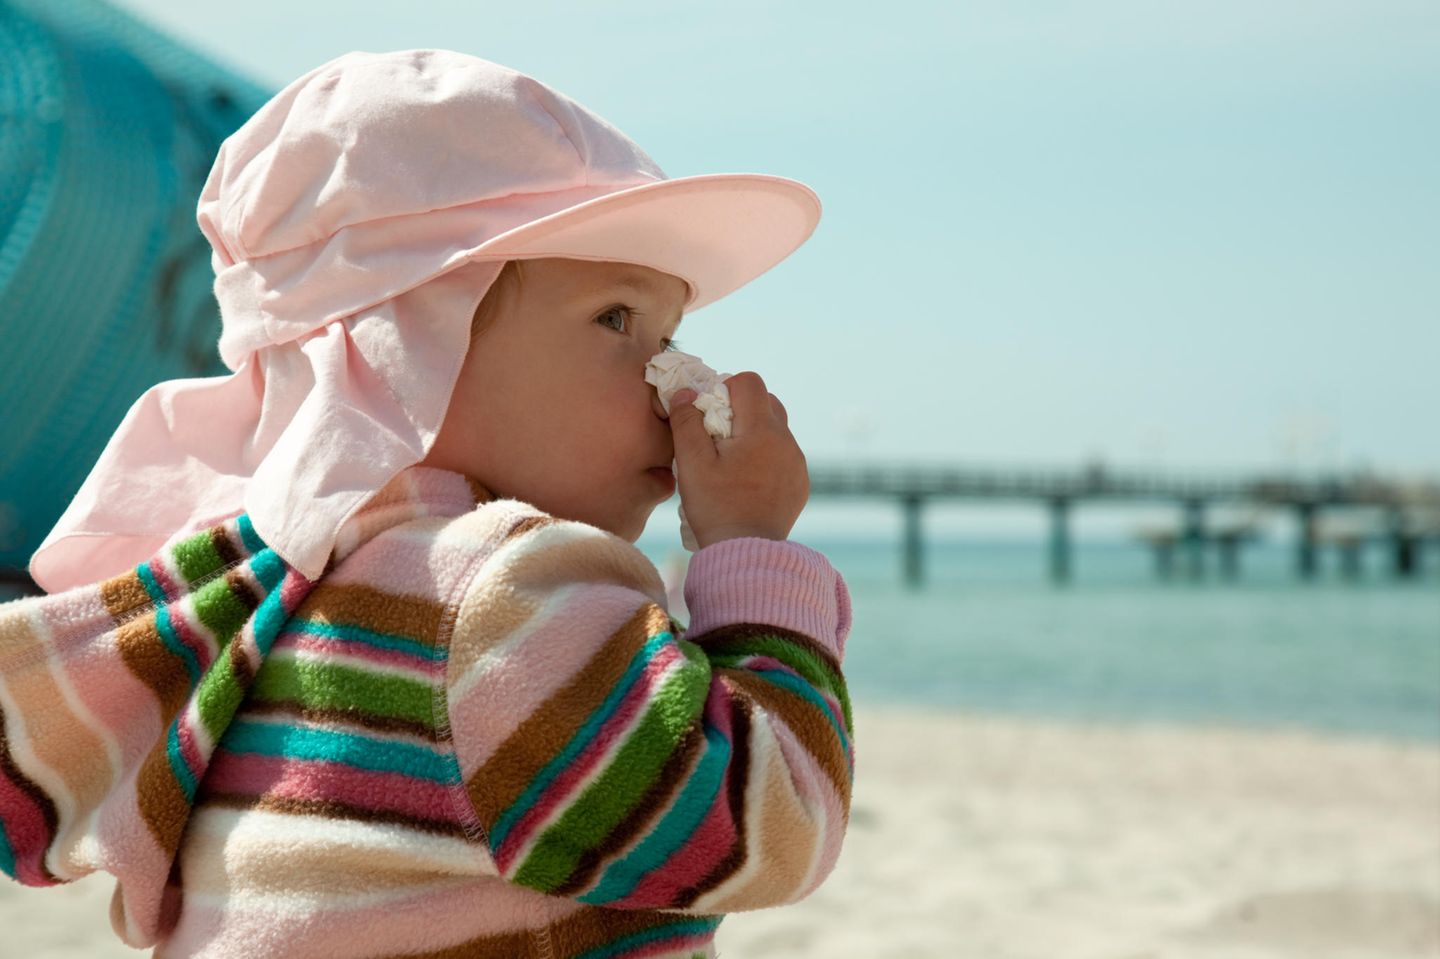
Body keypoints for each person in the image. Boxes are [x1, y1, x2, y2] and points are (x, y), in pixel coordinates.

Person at [0, 49, 854, 958]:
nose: (673, 378)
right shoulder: (499, 588)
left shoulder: (274, 597)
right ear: (407, 341)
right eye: (616, 319)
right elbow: (763, 826)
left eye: (671, 335)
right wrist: (753, 556)